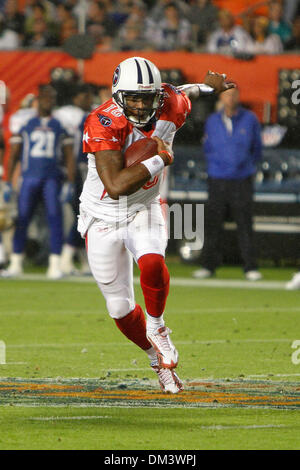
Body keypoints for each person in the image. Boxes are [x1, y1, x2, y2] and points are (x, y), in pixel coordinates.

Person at [78, 56, 234, 393]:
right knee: (119, 308)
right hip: (102, 215)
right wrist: (160, 158)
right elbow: (117, 185)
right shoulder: (102, 121)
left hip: (145, 208)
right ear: (118, 95)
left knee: (152, 260)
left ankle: (159, 327)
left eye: (146, 98)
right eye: (132, 97)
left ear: (157, 97)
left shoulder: (171, 103)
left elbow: (180, 90)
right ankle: (155, 360)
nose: (138, 105)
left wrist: (208, 86)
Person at [2, 84, 75, 279]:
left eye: (52, 98)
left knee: (55, 219)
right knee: (22, 218)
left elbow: (69, 156)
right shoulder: (26, 122)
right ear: (38, 100)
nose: (49, 102)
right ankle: (16, 262)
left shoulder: (60, 124)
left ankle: (55, 264)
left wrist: (69, 181)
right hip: (29, 177)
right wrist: (9, 181)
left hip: (52, 178)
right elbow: (15, 154)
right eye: (45, 98)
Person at [193, 86, 262, 281]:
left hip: (242, 179)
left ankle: (250, 267)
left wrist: (244, 165)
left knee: (245, 224)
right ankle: (208, 266)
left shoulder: (249, 119)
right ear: (221, 97)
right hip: (217, 179)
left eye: (233, 94)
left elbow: (257, 148)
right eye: (227, 94)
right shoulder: (212, 120)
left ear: (238, 96)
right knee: (213, 224)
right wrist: (217, 165)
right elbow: (207, 147)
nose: (230, 98)